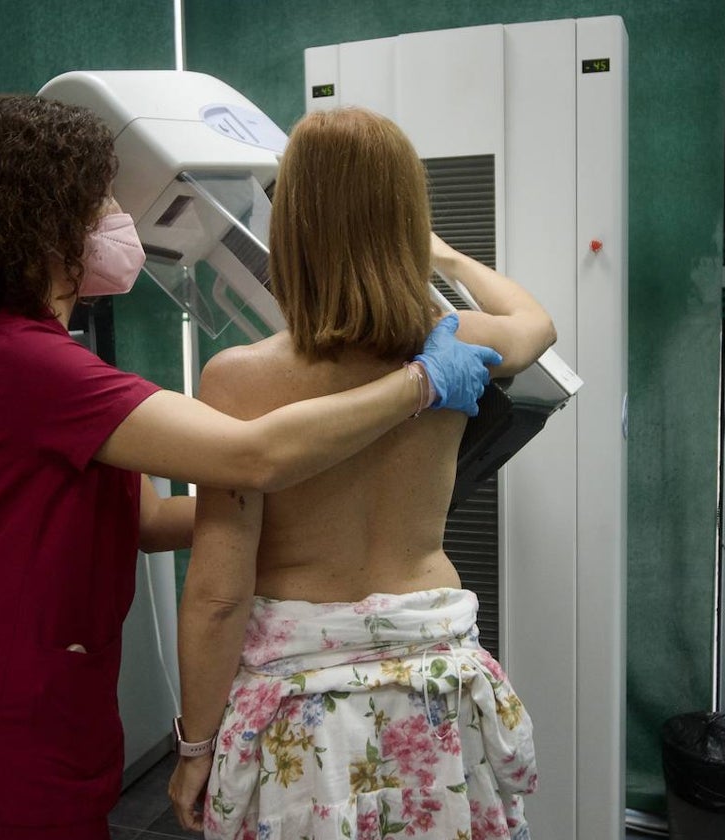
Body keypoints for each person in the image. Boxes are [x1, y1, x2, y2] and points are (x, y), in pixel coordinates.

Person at [0, 94, 501, 840]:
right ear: (45, 224)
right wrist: (419, 386)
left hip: (50, 700)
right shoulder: (29, 362)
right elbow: (255, 454)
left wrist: (308, 514)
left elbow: (147, 519)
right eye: (103, 198)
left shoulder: (44, 357)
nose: (121, 216)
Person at [168, 107, 556, 840]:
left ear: (291, 227)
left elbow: (219, 593)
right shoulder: (454, 345)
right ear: (407, 220)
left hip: (304, 716)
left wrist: (194, 749)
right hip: (440, 693)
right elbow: (538, 323)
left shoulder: (237, 382)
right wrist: (448, 261)